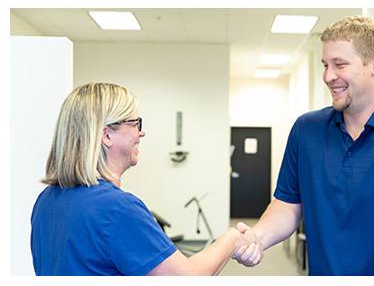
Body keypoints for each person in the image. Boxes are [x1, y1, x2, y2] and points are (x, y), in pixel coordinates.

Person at [232, 16, 374, 275]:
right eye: (325, 65)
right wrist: (258, 238)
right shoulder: (306, 130)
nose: (328, 76)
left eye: (339, 64)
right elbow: (288, 205)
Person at [31, 82, 261, 275]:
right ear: (107, 135)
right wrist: (232, 238)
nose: (141, 133)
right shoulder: (116, 209)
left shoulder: (47, 200)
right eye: (135, 123)